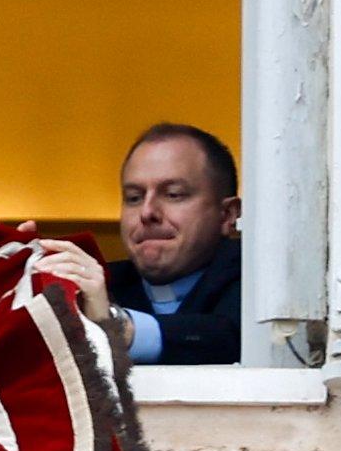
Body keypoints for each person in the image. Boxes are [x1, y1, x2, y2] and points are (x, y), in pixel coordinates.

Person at [31, 123, 242, 366]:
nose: (147, 211)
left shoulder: (262, 286)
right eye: (134, 198)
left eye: (173, 194)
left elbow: (228, 337)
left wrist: (115, 325)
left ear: (227, 215)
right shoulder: (104, 284)